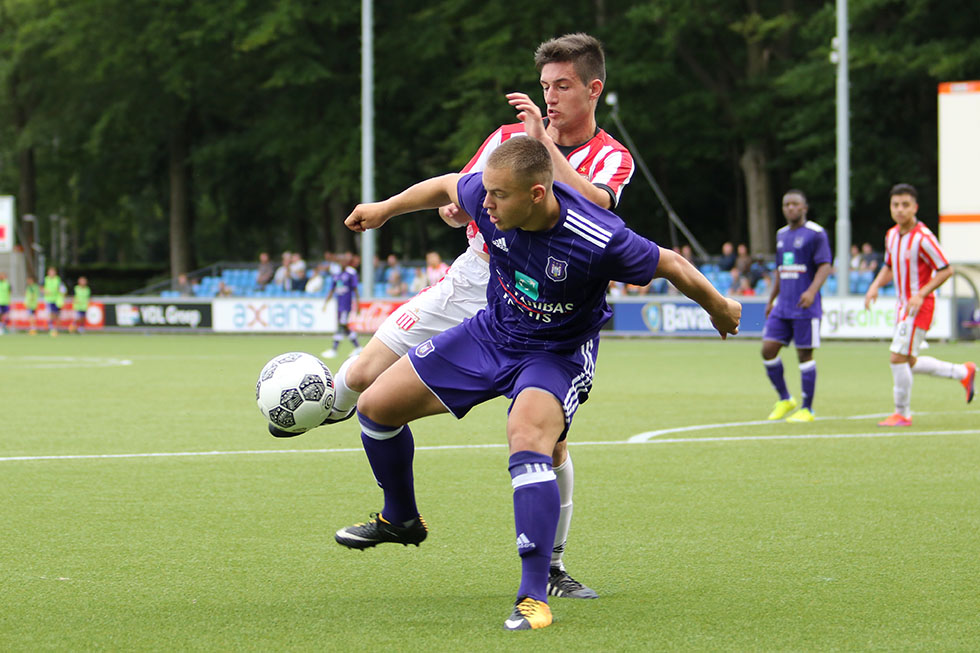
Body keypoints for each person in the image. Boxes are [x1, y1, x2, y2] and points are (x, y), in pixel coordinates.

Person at [335, 137, 741, 631]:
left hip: (557, 355)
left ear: (536, 193)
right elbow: (445, 186)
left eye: (498, 196)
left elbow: (671, 264)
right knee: (376, 406)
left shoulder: (597, 236)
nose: (484, 204)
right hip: (493, 333)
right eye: (485, 192)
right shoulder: (488, 201)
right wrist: (383, 209)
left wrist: (721, 307)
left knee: (527, 439)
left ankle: (533, 596)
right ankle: (400, 518)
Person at [323, 33, 636, 601]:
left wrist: (545, 151)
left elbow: (596, 205)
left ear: (593, 89)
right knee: (368, 379)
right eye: (545, 87)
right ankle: (370, 479)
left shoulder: (611, 156)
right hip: (477, 276)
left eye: (562, 86)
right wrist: (440, 208)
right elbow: (464, 190)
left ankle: (554, 567)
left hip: (550, 308)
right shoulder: (507, 137)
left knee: (548, 443)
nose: (551, 98)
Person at [864, 183, 975, 426]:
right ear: (891, 208)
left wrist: (921, 293)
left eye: (905, 205)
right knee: (909, 362)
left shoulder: (923, 238)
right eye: (896, 205)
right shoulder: (891, 235)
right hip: (902, 307)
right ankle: (963, 373)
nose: (900, 209)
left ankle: (902, 413)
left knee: (897, 358)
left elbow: (946, 270)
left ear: (915, 207)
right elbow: (889, 266)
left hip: (919, 307)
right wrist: (874, 287)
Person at [761, 190, 832, 422]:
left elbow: (824, 266)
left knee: (804, 355)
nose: (790, 208)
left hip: (805, 307)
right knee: (768, 350)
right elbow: (781, 270)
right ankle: (785, 398)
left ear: (804, 208)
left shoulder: (816, 234)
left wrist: (812, 291)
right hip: (783, 307)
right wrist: (772, 299)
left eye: (795, 204)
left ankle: (807, 409)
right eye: (786, 204)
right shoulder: (781, 235)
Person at [321, 252, 361, 359]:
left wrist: (358, 304)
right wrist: (326, 302)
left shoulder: (350, 275)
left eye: (344, 261)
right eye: (340, 262)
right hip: (339, 305)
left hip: (346, 305)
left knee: (341, 326)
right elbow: (331, 290)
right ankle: (358, 347)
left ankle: (334, 349)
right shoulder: (336, 276)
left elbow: (356, 290)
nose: (342, 263)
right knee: (344, 326)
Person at [43, 267, 64, 336]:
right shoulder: (46, 279)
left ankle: (56, 329)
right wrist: (45, 291)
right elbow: (41, 287)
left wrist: (62, 293)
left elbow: (62, 288)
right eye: (50, 272)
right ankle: (51, 328)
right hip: (49, 300)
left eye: (53, 272)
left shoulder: (58, 279)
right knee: (51, 314)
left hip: (57, 300)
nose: (52, 273)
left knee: (57, 315)